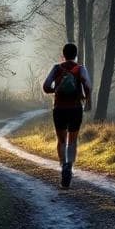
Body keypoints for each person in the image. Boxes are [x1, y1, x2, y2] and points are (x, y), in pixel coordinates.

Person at [41, 42, 91, 188]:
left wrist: (55, 90)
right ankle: (70, 166)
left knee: (61, 140)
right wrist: (85, 98)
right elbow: (88, 85)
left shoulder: (57, 68)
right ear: (75, 55)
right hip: (75, 109)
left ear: (63, 55)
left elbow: (45, 86)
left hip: (59, 109)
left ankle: (63, 166)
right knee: (72, 140)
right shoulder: (80, 68)